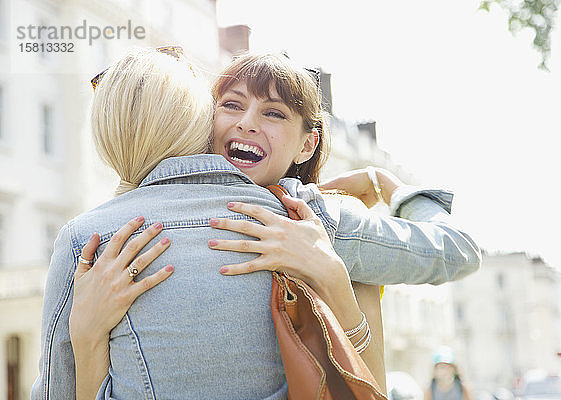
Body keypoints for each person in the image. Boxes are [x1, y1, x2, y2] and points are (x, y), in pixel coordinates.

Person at [32, 48, 480, 399]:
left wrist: (87, 340)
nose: (246, 123)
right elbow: (454, 249)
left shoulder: (87, 239)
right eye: (231, 105)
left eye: (274, 112)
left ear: (308, 144)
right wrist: (391, 191)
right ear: (205, 120)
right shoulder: (311, 219)